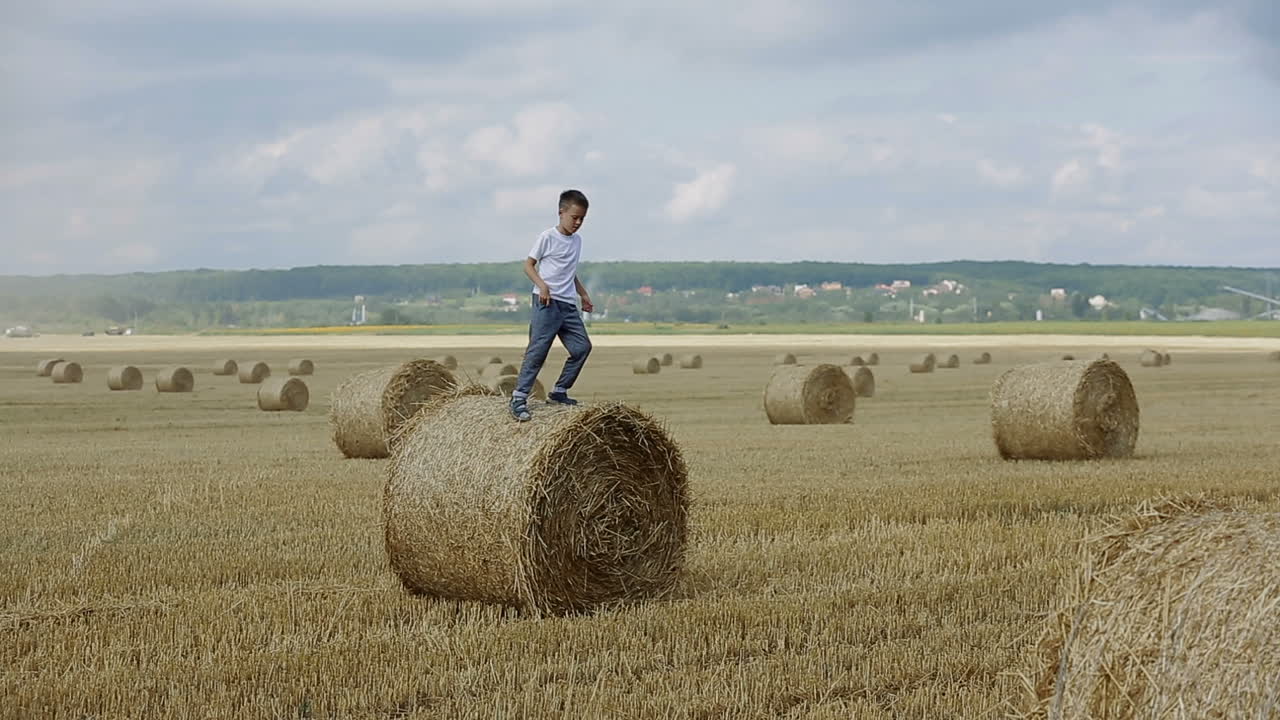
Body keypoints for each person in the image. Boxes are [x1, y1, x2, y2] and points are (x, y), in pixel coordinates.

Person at [509, 189, 594, 422]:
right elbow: (528, 265)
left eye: (582, 219)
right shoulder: (547, 237)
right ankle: (518, 398)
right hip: (546, 302)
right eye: (574, 217)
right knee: (538, 351)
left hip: (568, 304)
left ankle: (559, 392)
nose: (577, 223)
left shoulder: (577, 241)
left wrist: (583, 295)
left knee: (582, 348)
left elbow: (569, 272)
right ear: (561, 212)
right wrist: (542, 286)